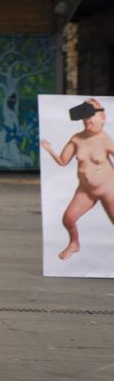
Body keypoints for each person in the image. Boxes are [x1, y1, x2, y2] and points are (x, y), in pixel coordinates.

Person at [41, 99, 114, 260]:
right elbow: (63, 161)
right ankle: (74, 243)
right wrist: (49, 149)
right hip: (86, 190)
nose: (87, 121)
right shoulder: (77, 138)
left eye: (91, 117)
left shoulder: (105, 139)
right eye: (85, 118)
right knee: (68, 219)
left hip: (109, 187)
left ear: (103, 117)